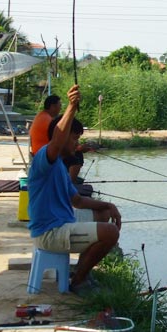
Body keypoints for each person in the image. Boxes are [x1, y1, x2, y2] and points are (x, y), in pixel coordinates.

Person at [27, 84, 121, 296]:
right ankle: (78, 281)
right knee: (110, 232)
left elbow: (77, 201)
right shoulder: (45, 159)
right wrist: (71, 106)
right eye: (74, 138)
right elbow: (58, 138)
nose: (77, 143)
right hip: (49, 232)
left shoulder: (60, 165)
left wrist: (109, 205)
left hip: (64, 220)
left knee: (103, 214)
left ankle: (82, 268)